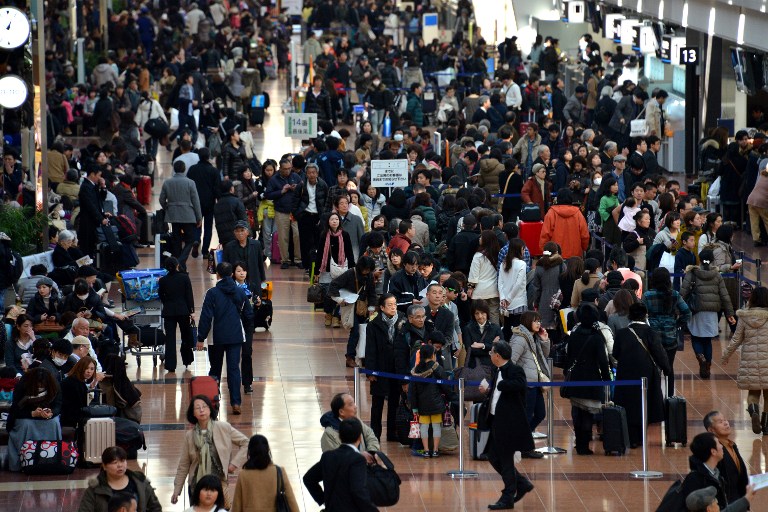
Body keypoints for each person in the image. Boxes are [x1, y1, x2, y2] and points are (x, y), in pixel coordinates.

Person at [477, 341, 535, 509]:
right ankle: (521, 483)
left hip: (509, 423)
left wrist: (502, 385)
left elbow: (520, 385)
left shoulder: (515, 370)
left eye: (491, 353)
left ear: (498, 356)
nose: (490, 356)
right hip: (496, 420)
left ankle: (508, 496)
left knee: (505, 459)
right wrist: (488, 391)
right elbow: (496, 394)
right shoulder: (497, 370)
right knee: (493, 456)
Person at [196, 262, 254, 415]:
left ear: (218, 275)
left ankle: (212, 402)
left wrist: (200, 337)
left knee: (215, 369)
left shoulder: (212, 293)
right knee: (234, 369)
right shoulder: (240, 292)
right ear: (232, 274)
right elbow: (248, 314)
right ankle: (236, 403)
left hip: (217, 337)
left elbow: (206, 317)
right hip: (235, 336)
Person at [172, 395, 249, 508]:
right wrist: (176, 490)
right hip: (196, 486)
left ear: (210, 409)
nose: (201, 410)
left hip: (219, 484)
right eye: (197, 408)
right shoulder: (190, 436)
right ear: (193, 413)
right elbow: (184, 465)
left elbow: (246, 443)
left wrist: (233, 464)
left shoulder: (223, 428)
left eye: (204, 406)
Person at [612, 303, 670, 448]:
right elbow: (659, 353)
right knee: (645, 403)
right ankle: (641, 436)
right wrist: (667, 369)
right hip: (647, 373)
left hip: (626, 374)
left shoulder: (622, 333)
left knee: (629, 403)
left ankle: (632, 437)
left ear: (629, 315)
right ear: (645, 315)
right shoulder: (651, 332)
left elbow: (615, 354)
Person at [564, 303, 612, 455]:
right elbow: (603, 361)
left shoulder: (574, 334)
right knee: (588, 413)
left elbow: (569, 356)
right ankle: (584, 446)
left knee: (578, 411)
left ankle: (580, 444)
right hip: (592, 378)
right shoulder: (597, 337)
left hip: (575, 378)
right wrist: (607, 380)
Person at [303, 418, 379, 512]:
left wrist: (324, 500)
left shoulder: (327, 456)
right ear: (359, 437)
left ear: (339, 436)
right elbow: (358, 491)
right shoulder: (358, 460)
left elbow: (308, 479)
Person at [681, 249, 735, 379]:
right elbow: (724, 295)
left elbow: (683, 293)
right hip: (712, 312)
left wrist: (678, 310)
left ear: (699, 260)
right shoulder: (717, 275)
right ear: (712, 260)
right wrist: (729, 313)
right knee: (707, 340)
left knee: (695, 336)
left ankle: (701, 357)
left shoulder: (692, 273)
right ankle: (708, 364)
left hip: (696, 310)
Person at [721, 286, 768, 435]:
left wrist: (726, 355)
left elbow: (736, 339)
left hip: (750, 360)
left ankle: (753, 409)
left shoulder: (744, 316)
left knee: (753, 391)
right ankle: (766, 426)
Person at [365, 293, 407, 441]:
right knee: (377, 402)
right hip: (380, 368)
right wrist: (370, 371)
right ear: (382, 307)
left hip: (397, 368)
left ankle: (392, 432)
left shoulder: (403, 320)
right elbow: (370, 349)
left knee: (395, 401)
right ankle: (374, 433)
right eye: (390, 305)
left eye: (395, 304)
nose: (393, 307)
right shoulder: (373, 324)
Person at [643, 267, 691, 397]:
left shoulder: (648, 295)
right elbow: (687, 312)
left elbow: (642, 314)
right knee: (669, 367)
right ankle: (670, 396)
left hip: (653, 337)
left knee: (655, 368)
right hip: (671, 337)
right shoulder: (674, 294)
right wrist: (676, 324)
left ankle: (655, 397)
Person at [678, 432, 755, 511]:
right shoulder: (695, 480)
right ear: (713, 451)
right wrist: (745, 500)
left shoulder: (716, 474)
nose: (722, 446)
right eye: (719, 443)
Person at [509, 311, 550, 455]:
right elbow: (511, 361)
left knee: (540, 414)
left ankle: (520, 441)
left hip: (535, 383)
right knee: (526, 416)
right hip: (526, 384)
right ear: (527, 322)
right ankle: (525, 447)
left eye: (539, 320)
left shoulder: (533, 337)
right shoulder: (520, 339)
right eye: (535, 321)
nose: (539, 323)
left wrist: (544, 340)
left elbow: (543, 356)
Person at [6, 367, 62, 472]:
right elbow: (16, 410)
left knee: (54, 422)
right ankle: (23, 461)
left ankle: (52, 459)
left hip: (45, 416)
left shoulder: (54, 386)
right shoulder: (22, 385)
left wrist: (51, 412)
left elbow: (58, 405)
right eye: (38, 385)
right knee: (26, 424)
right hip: (25, 416)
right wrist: (32, 413)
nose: (40, 387)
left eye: (42, 385)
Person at [78, 446, 162, 511]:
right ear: (104, 466)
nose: (120, 465)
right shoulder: (95, 488)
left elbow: (155, 508)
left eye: (122, 461)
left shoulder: (140, 482)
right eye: (115, 462)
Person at [231, 435, 300, 512]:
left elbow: (236, 505)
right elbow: (291, 501)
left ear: (250, 451)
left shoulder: (243, 475)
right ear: (267, 450)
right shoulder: (279, 471)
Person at [410, 344, 454, 457]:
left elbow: (413, 391)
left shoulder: (416, 370)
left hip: (421, 405)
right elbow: (445, 386)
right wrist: (450, 398)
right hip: (436, 404)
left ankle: (425, 450)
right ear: (433, 355)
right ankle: (434, 450)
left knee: (423, 427)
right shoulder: (437, 368)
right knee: (436, 427)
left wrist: (414, 407)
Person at [159, 160, 203, 271]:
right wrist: (199, 217)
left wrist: (167, 208)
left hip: (173, 215)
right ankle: (180, 262)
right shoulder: (190, 182)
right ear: (184, 169)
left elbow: (161, 199)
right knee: (191, 239)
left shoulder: (167, 182)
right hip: (188, 215)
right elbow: (196, 201)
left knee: (176, 240)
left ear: (174, 169)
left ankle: (180, 266)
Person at [315, 212, 355, 328]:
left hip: (342, 269)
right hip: (326, 269)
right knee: (328, 293)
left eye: (336, 219)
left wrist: (352, 269)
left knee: (339, 293)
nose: (334, 221)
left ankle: (337, 317)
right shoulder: (324, 235)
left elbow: (349, 252)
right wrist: (317, 271)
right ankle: (328, 314)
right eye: (332, 219)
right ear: (328, 221)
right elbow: (320, 253)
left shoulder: (345, 235)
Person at [264, 157, 303, 269]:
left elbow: (303, 189)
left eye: (289, 168)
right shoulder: (274, 179)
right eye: (285, 169)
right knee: (282, 236)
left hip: (294, 211)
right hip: (281, 211)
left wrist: (298, 188)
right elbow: (268, 194)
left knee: (297, 235)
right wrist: (282, 191)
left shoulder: (295, 176)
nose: (287, 171)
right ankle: (285, 260)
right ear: (280, 168)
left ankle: (298, 259)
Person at [702, 411, 749, 504]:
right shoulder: (713, 452)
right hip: (725, 502)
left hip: (737, 499)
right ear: (711, 430)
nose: (726, 423)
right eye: (720, 422)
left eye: (725, 420)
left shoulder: (732, 445)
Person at [159, 256, 195, 373]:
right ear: (177, 265)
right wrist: (191, 311)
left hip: (169, 312)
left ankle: (170, 365)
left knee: (170, 338)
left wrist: (167, 304)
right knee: (185, 336)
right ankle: (187, 360)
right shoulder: (184, 278)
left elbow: (161, 295)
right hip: (183, 311)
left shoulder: (163, 280)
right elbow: (189, 295)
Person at [320, 393, 380, 458]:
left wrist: (371, 452)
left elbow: (370, 435)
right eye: (351, 404)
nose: (355, 407)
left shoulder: (357, 421)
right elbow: (335, 461)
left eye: (354, 403)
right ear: (341, 412)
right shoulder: (329, 434)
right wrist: (360, 458)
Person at [539, 188, 590, 258]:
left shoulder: (551, 213)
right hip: (575, 256)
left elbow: (545, 235)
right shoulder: (578, 214)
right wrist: (584, 248)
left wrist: (544, 251)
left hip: (555, 256)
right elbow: (585, 235)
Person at [468, 230, 501, 326]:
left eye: (481, 237)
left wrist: (470, 287)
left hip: (480, 291)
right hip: (494, 290)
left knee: (479, 316)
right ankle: (496, 336)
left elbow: (474, 275)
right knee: (494, 315)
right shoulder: (498, 254)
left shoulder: (478, 256)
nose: (479, 239)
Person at [498, 238, 528, 340]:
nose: (524, 252)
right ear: (519, 249)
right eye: (523, 249)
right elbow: (518, 284)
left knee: (506, 328)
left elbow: (500, 282)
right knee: (517, 331)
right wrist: (509, 299)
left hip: (504, 304)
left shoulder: (504, 263)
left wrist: (503, 298)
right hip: (518, 302)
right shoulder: (522, 264)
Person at [531, 242, 565, 331]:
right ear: (556, 252)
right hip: (558, 301)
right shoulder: (561, 265)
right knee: (557, 328)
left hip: (543, 301)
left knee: (544, 330)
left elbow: (536, 288)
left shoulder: (539, 266)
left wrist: (536, 303)